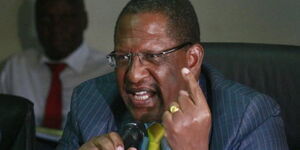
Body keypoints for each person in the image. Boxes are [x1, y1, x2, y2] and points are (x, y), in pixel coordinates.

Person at [57, 0, 289, 149]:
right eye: (122, 58)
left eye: (153, 56)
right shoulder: (89, 101)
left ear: (192, 59)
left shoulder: (250, 117)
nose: (133, 75)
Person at [0, 0, 112, 129]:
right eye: (46, 19)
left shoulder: (106, 71)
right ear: (36, 23)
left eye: (66, 18)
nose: (56, 28)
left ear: (84, 20)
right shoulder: (15, 67)